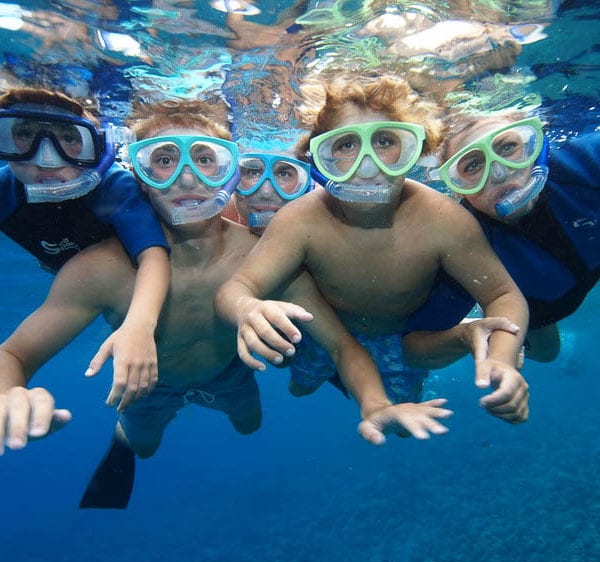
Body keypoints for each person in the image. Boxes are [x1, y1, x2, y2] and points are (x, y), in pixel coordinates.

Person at [0, 98, 453, 509]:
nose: (189, 178)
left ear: (231, 170)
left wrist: (374, 405)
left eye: (204, 159)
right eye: (163, 160)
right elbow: (14, 354)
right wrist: (7, 393)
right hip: (150, 384)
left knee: (249, 425)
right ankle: (123, 439)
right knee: (144, 444)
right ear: (136, 174)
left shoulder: (264, 256)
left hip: (229, 374)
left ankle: (204, 404)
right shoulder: (101, 269)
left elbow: (340, 347)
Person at [215, 73, 530, 425]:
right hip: (323, 333)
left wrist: (502, 359)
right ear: (321, 156)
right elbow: (237, 288)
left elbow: (502, 294)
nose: (368, 164)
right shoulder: (300, 220)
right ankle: (309, 382)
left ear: (414, 148)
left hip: (395, 340)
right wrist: (245, 308)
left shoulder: (444, 220)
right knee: (301, 385)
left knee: (401, 425)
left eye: (384, 141)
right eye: (347, 145)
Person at [0, 87, 171, 409]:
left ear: (96, 146)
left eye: (69, 138)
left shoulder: (114, 186)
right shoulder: (3, 190)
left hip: (114, 280)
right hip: (79, 281)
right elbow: (11, 354)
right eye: (25, 134)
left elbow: (153, 254)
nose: (47, 158)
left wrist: (139, 324)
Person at [402, 110, 599, 366]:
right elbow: (414, 349)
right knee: (548, 353)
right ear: (456, 186)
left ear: (534, 146)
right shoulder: (463, 240)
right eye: (473, 165)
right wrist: (466, 335)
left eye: (507, 147)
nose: (499, 173)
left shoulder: (582, 161)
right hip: (538, 309)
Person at [224, 151, 311, 235]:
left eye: (284, 174)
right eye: (253, 172)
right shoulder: (219, 219)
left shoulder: (318, 225)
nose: (266, 192)